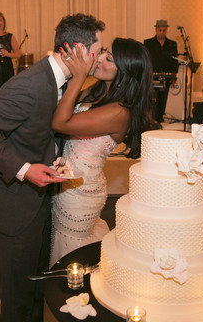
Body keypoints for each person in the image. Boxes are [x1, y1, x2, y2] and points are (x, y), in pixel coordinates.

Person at [0, 13, 105, 322]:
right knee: (17, 296)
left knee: (34, 289)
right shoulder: (30, 84)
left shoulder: (62, 81)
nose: (97, 57)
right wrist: (25, 168)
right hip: (14, 205)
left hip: (40, 202)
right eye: (96, 50)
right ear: (75, 50)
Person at [49, 38, 153, 266]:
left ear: (125, 72)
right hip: (68, 183)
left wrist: (79, 76)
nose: (101, 59)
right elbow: (63, 106)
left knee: (71, 253)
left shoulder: (119, 112)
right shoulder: (99, 90)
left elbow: (60, 123)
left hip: (80, 192)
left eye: (109, 59)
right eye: (104, 52)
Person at [143, 20, 178, 123]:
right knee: (154, 99)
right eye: (159, 30)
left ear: (166, 30)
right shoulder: (148, 43)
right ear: (156, 30)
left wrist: (174, 76)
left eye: (164, 30)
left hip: (167, 76)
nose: (162, 32)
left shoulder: (172, 44)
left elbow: (174, 61)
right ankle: (154, 119)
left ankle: (160, 117)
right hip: (153, 75)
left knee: (164, 99)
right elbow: (146, 59)